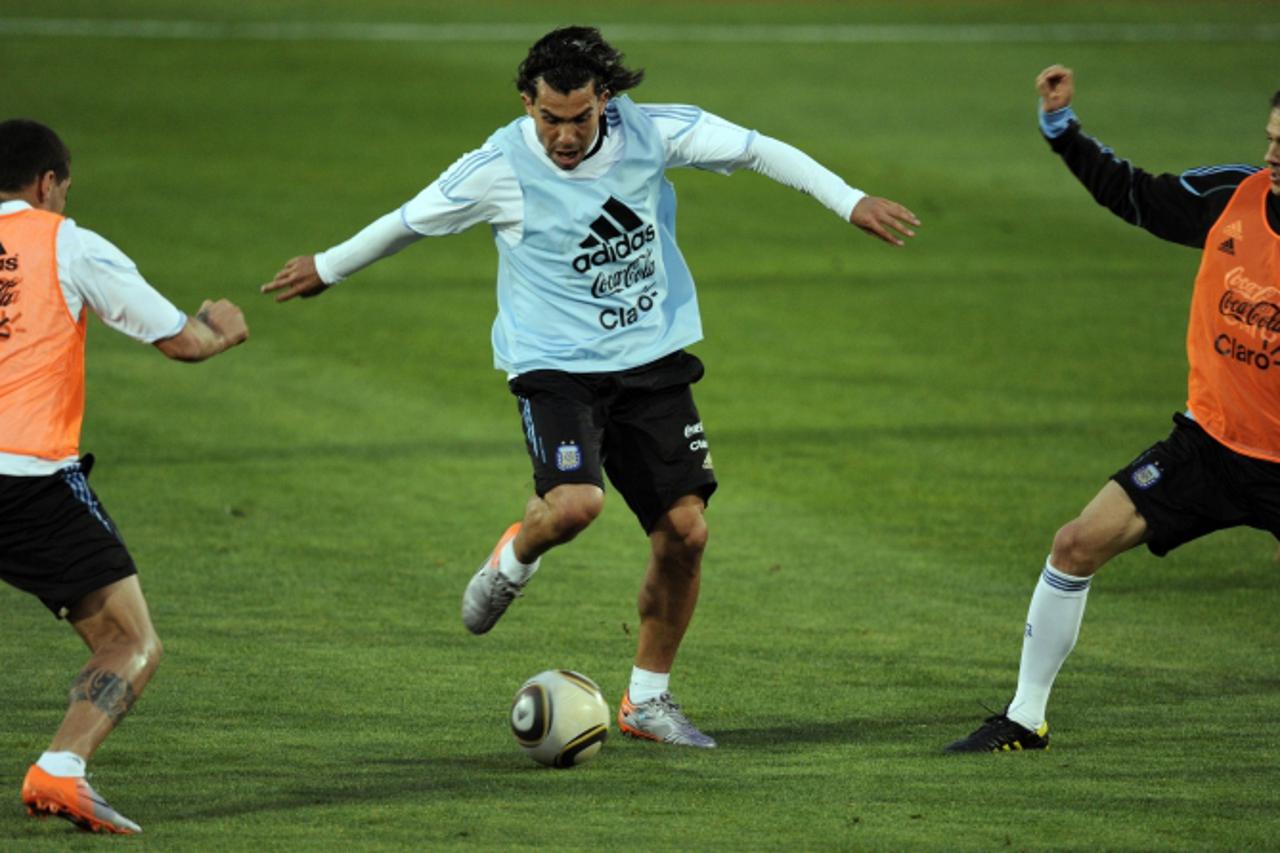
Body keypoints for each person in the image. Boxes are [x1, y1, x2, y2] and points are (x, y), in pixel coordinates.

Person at [263, 26, 919, 748]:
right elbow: (408, 221)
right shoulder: (498, 166)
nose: (566, 135)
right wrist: (327, 266)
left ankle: (647, 700)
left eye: (580, 117)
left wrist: (849, 199)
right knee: (576, 505)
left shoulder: (652, 131)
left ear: (604, 100)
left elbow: (759, 148)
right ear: (527, 103)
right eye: (551, 118)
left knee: (687, 531)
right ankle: (515, 557)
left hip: (650, 360)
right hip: (553, 366)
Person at [946, 66, 1280, 752]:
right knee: (1075, 543)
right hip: (1210, 446)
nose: (1274, 156)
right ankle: (1024, 717)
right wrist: (1061, 131)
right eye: (1273, 139)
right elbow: (1135, 195)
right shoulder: (1234, 197)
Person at [0, 118, 249, 832]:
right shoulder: (65, 243)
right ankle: (61, 768)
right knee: (128, 639)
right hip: (26, 480)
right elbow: (184, 342)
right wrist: (220, 323)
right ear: (48, 182)